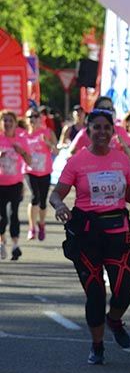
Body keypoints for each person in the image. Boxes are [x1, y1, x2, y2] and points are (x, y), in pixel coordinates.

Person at [49, 108, 130, 363]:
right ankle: (97, 345)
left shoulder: (121, 159)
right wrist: (60, 206)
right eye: (96, 127)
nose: (102, 132)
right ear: (88, 131)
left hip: (117, 232)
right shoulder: (77, 161)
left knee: (124, 289)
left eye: (106, 128)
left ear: (113, 131)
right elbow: (56, 193)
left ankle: (114, 320)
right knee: (95, 293)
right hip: (87, 234)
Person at [0, 110, 31, 260]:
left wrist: (22, 152)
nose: (7, 124)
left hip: (16, 184)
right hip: (0, 184)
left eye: (10, 121)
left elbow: (30, 162)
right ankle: (2, 243)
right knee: (2, 217)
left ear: (15, 123)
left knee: (14, 215)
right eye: (4, 121)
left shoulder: (21, 140)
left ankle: (15, 245)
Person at [24, 107, 58, 243]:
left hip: (44, 171)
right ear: (26, 120)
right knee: (34, 197)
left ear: (40, 119)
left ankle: (41, 224)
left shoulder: (47, 132)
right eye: (29, 117)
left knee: (43, 201)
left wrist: (47, 142)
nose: (32, 119)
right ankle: (32, 227)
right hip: (30, 171)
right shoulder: (23, 135)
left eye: (35, 116)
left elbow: (56, 150)